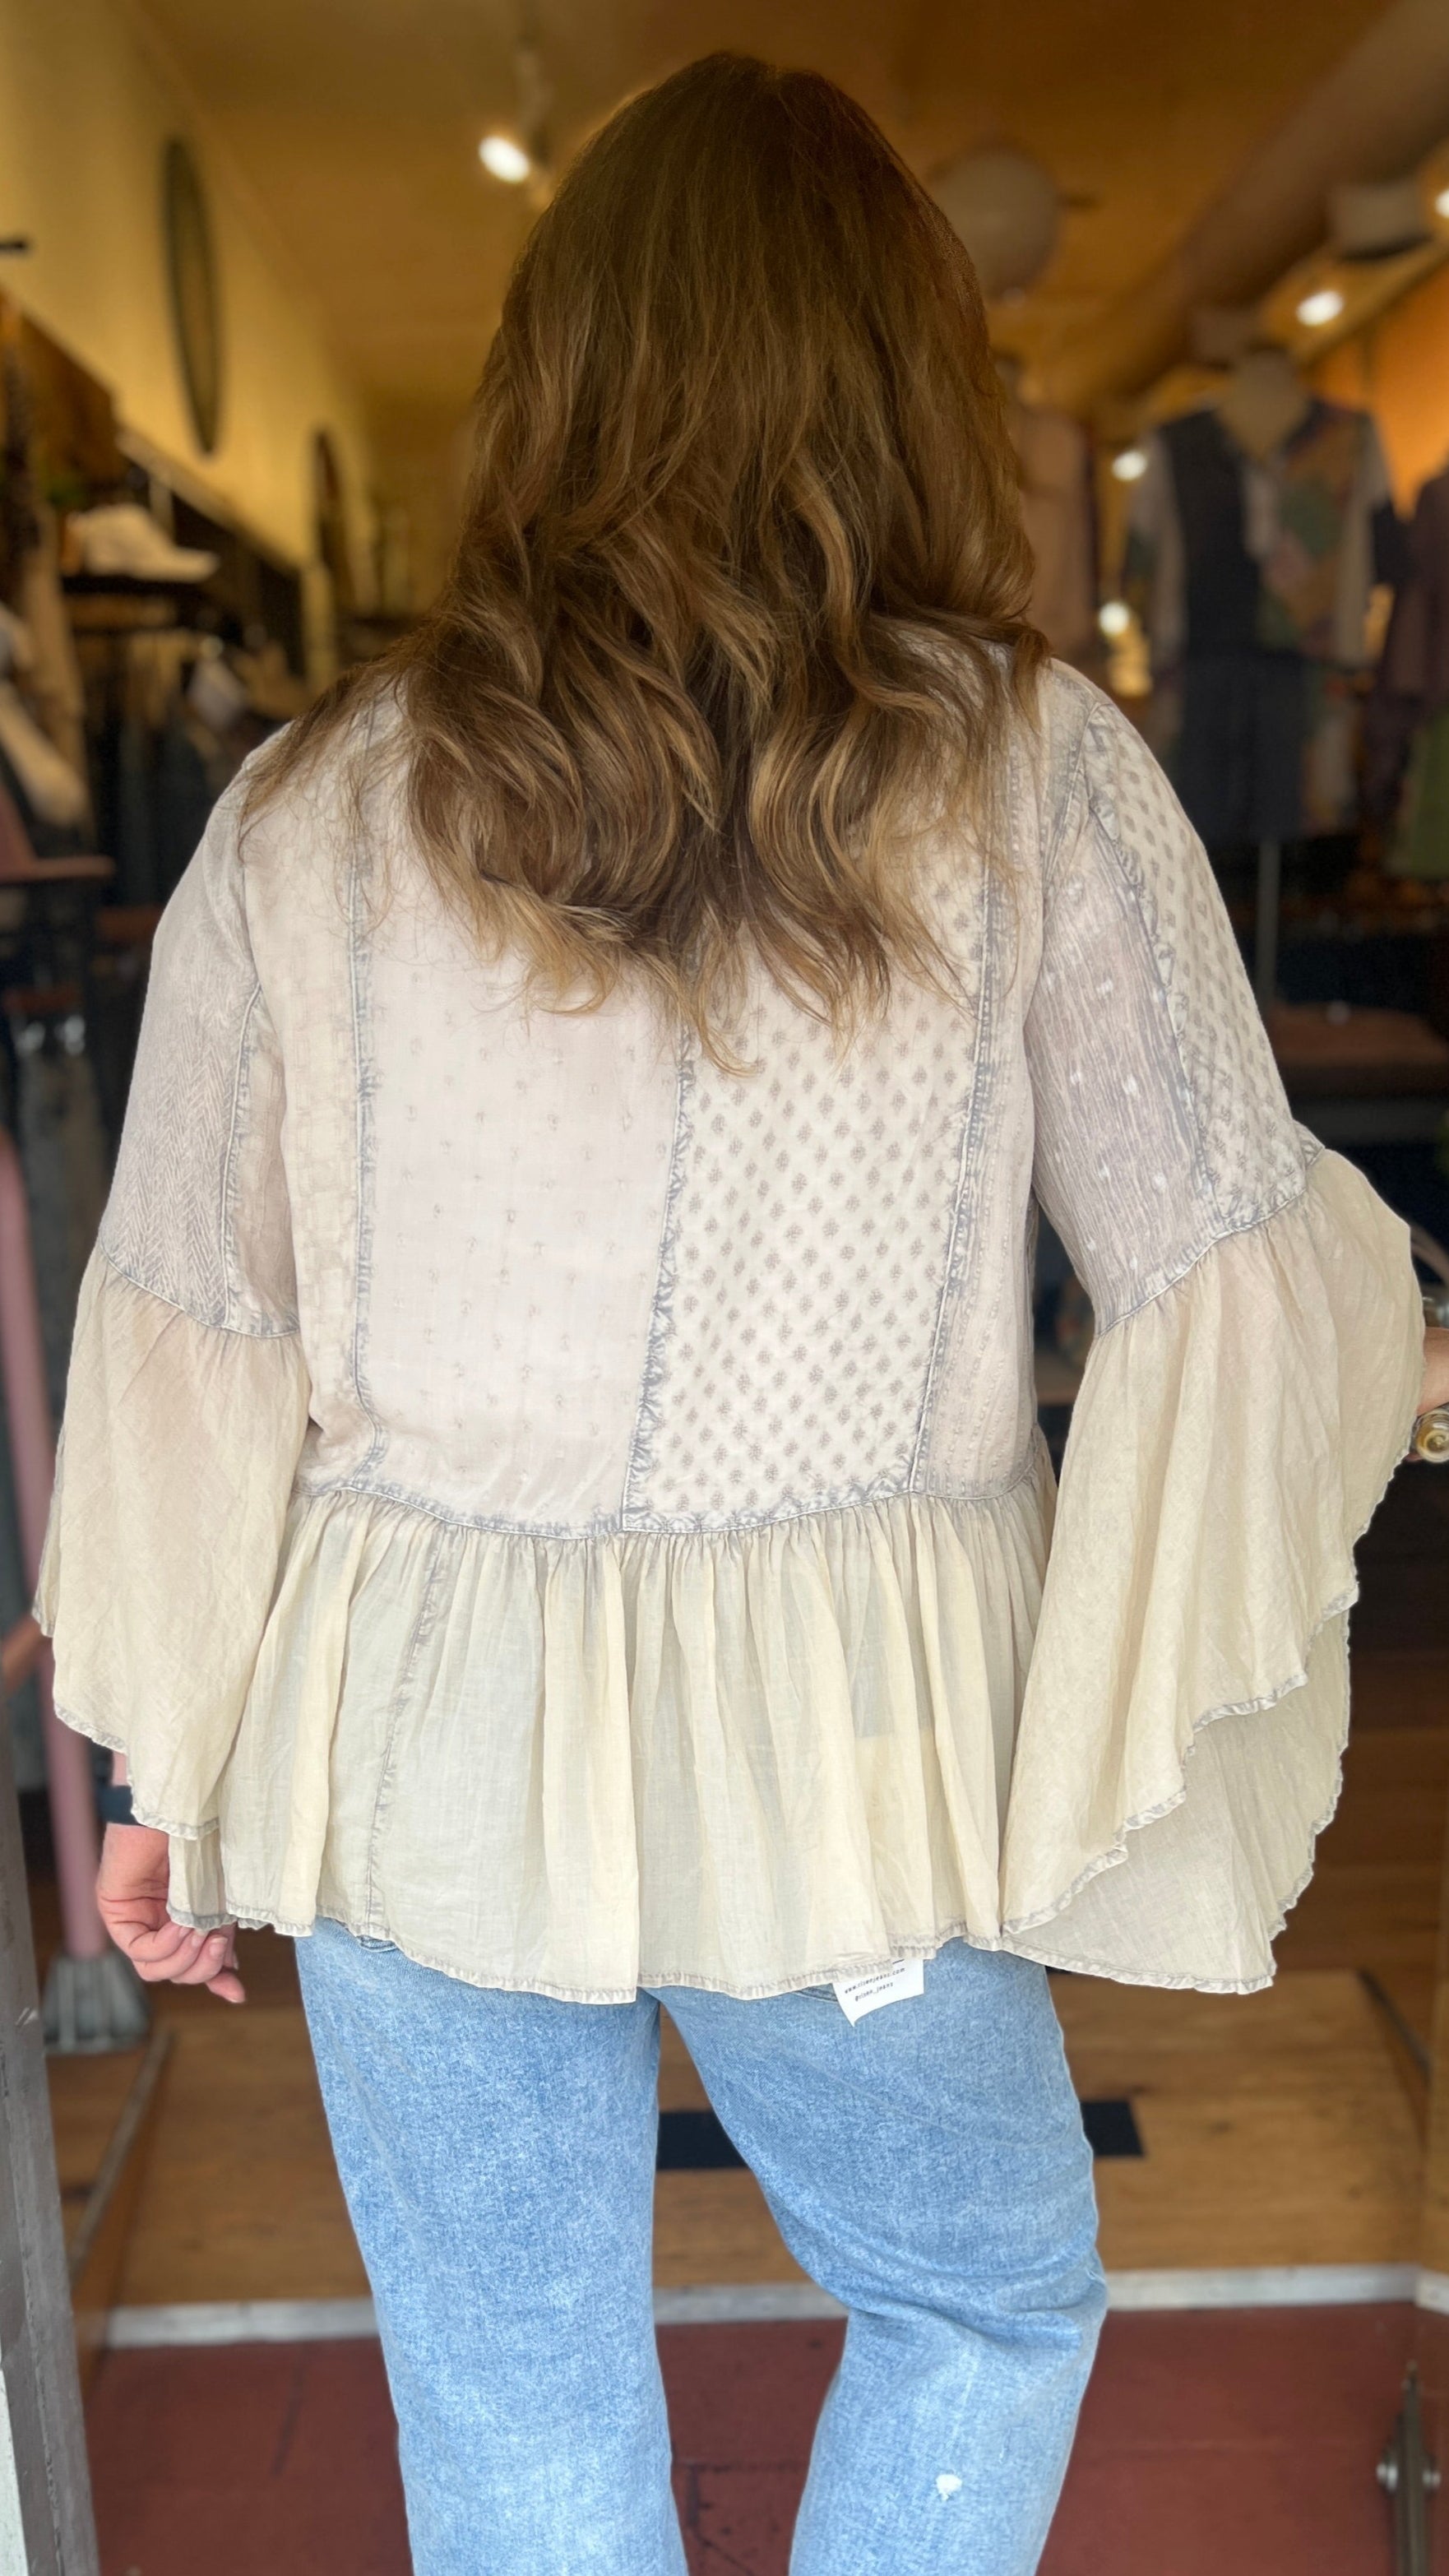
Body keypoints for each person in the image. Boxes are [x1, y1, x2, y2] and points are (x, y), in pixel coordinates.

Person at [39, 54, 1449, 2576]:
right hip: (853, 1744)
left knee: (509, 2388)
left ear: (553, 371)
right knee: (984, 2297)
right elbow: (1219, 1269)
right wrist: (1415, 1369)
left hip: (407, 1724)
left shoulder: (306, 805)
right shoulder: (1029, 770)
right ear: (907, 372)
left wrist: (158, 1760)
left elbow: (191, 1320)